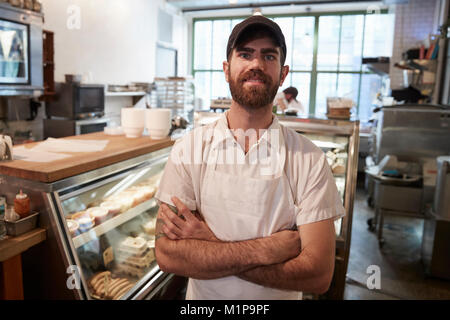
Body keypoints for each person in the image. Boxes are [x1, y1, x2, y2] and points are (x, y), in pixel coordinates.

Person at [154, 14, 345, 300]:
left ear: (283, 74)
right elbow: (168, 255)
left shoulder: (309, 159)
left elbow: (318, 275)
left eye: (269, 56)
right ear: (227, 68)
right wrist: (267, 250)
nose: (256, 65)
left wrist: (209, 245)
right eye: (245, 54)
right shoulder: (189, 149)